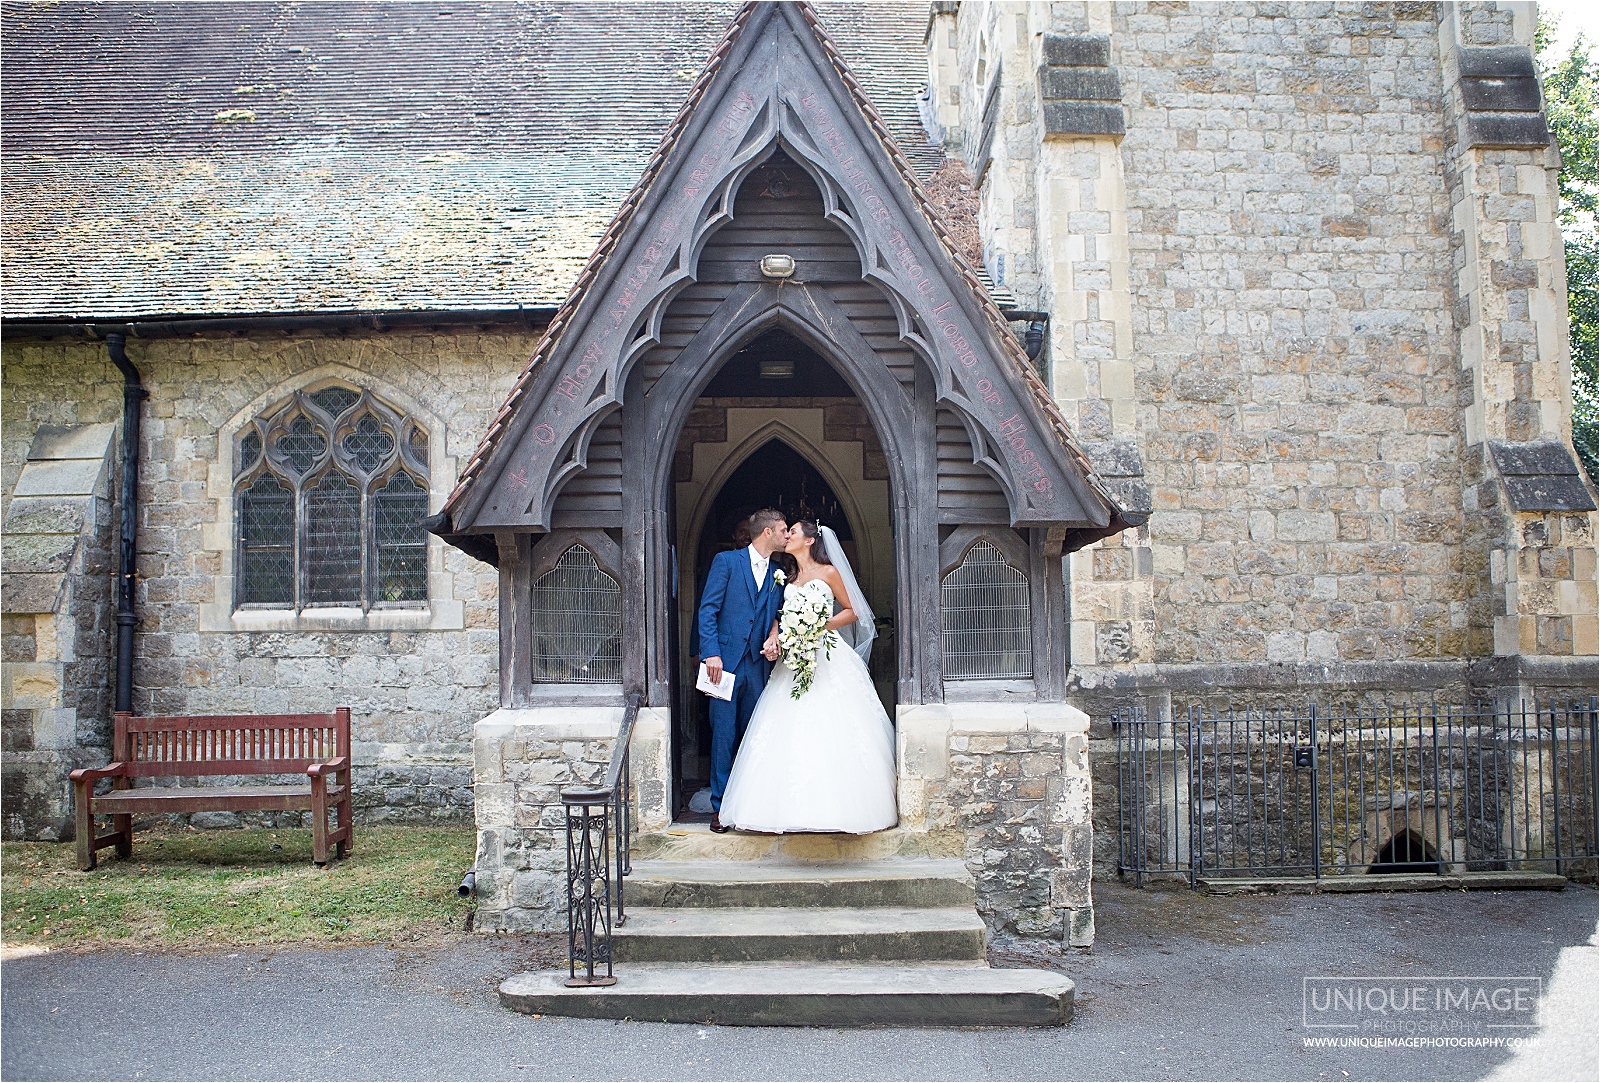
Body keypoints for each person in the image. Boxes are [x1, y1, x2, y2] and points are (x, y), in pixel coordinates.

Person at [718, 520, 898, 834]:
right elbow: (777, 616)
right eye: (786, 533)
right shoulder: (787, 577)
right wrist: (777, 634)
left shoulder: (828, 573)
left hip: (827, 656)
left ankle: (836, 809)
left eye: (794, 533)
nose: (787, 536)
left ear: (810, 541)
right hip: (793, 660)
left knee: (831, 724)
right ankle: (783, 809)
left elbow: (852, 609)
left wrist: (816, 626)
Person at [695, 507, 788, 833]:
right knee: (723, 737)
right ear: (767, 533)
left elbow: (778, 612)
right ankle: (720, 808)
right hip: (724, 666)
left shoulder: (779, 571)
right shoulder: (726, 562)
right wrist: (711, 654)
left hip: (758, 666)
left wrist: (775, 634)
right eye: (783, 529)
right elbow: (707, 611)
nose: (787, 535)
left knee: (755, 737)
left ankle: (751, 806)